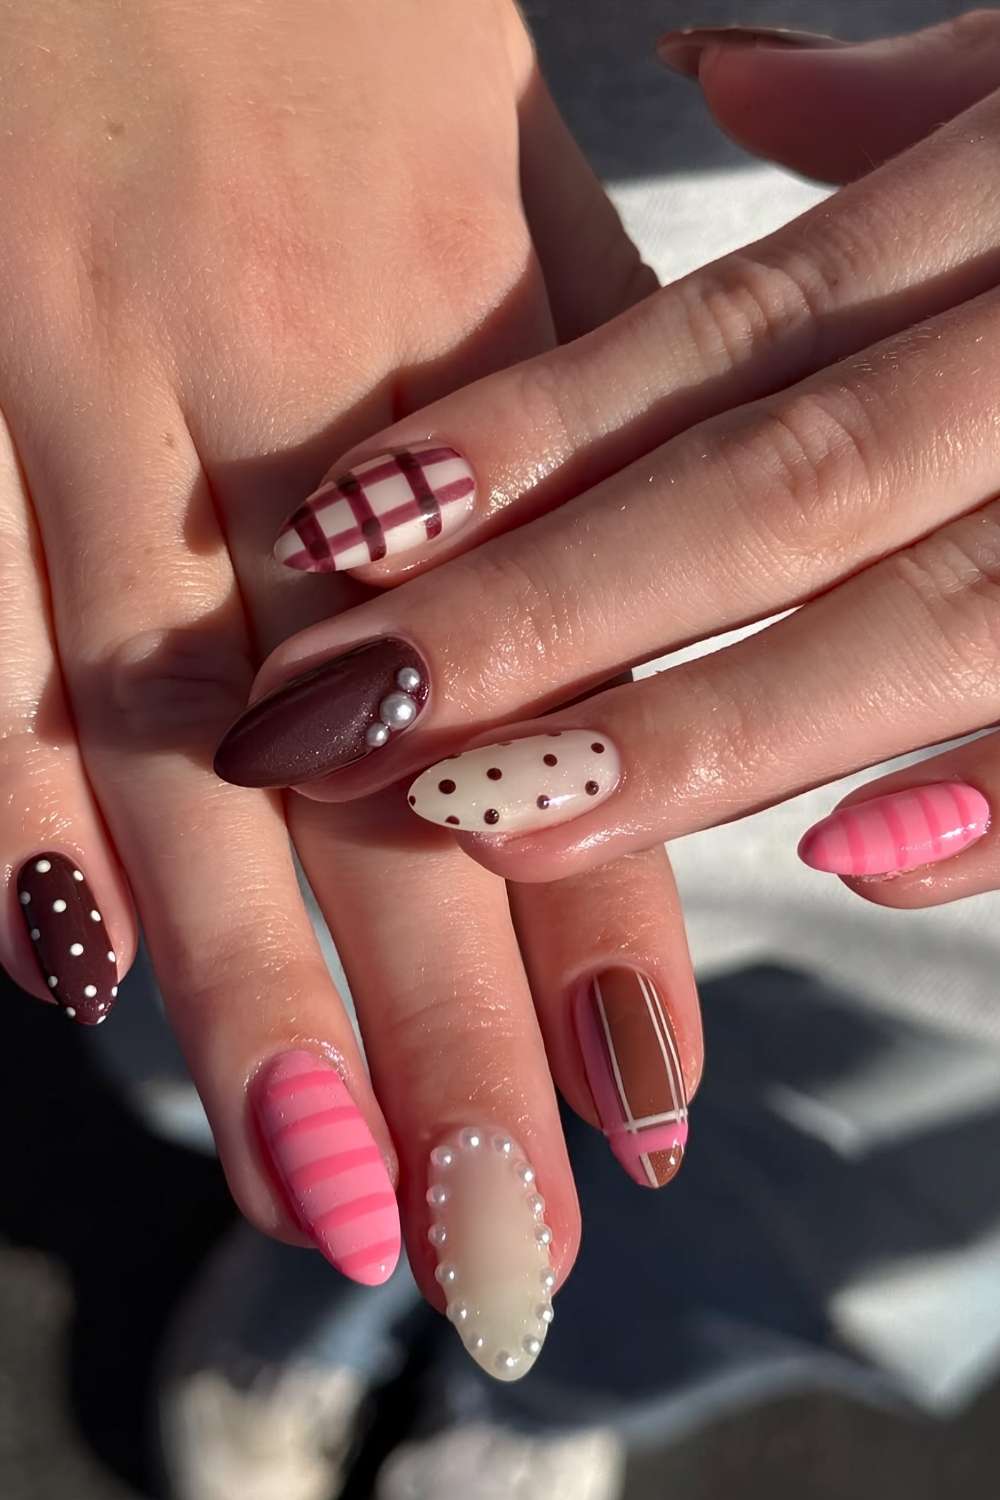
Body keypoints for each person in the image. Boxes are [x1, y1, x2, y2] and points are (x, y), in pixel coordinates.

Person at [4, 0, 1000, 1388]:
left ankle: (536, 1400)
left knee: (859, 1197)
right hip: (260, 327)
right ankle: (329, 1308)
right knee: (278, 1009)